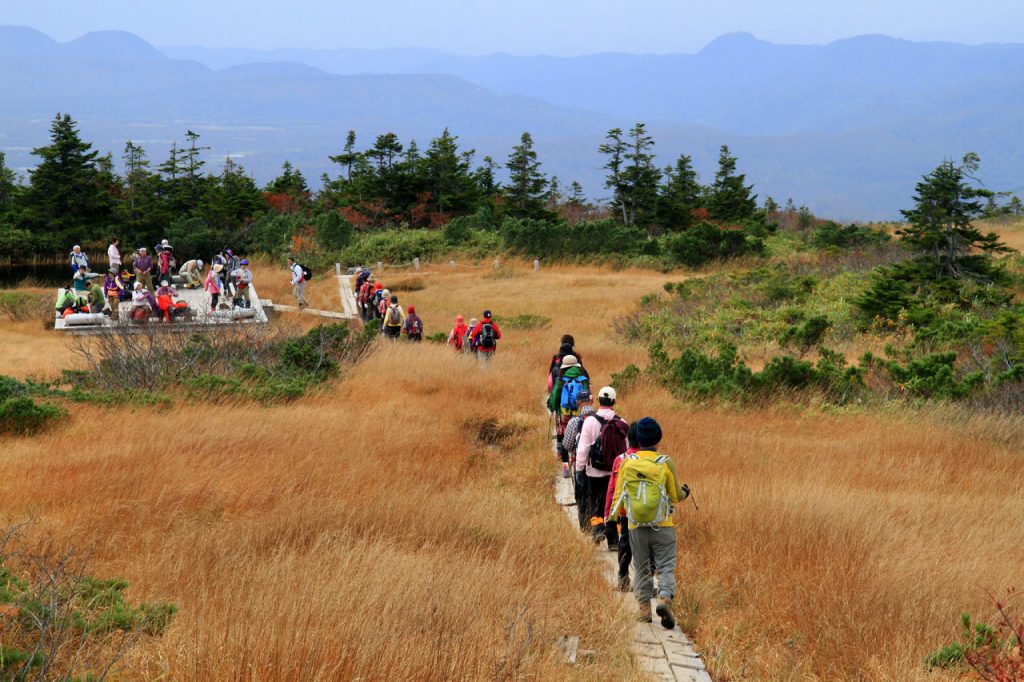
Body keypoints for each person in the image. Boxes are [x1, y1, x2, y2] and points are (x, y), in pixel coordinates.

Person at [610, 417, 689, 629]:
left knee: (641, 566)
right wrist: (685, 492)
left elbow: (619, 496)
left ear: (637, 439)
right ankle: (664, 598)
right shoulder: (665, 462)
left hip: (635, 525)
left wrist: (611, 520)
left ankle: (644, 609)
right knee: (665, 565)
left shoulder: (627, 462)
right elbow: (675, 495)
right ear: (658, 438)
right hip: (662, 524)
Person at [576, 386, 628, 551]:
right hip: (615, 472)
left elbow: (583, 448)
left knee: (595, 502)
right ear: (614, 401)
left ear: (598, 400)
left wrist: (579, 469)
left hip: (594, 472)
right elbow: (626, 450)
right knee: (613, 503)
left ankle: (597, 529)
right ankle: (613, 539)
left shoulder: (589, 421)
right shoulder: (622, 423)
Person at [605, 423, 643, 592]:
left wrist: (608, 514)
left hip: (626, 510)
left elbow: (612, 489)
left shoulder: (620, 460)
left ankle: (622, 576)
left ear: (628, 438)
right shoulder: (653, 460)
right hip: (647, 511)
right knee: (645, 544)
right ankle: (645, 580)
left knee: (625, 542)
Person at [562, 389, 596, 525]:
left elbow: (566, 444)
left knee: (582, 496)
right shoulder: (601, 419)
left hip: (580, 466)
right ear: (592, 400)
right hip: (600, 466)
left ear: (577, 403)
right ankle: (599, 525)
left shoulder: (574, 421)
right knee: (597, 496)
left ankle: (585, 527)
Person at [549, 354, 589, 469]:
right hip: (579, 413)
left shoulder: (561, 380)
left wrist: (551, 408)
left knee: (563, 436)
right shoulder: (583, 379)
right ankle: (575, 459)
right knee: (578, 434)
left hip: (564, 414)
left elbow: (555, 396)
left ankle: (565, 465)